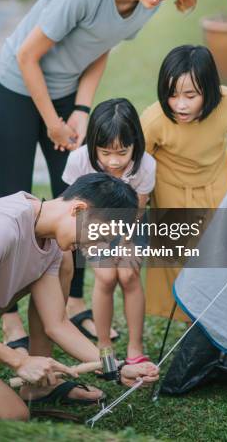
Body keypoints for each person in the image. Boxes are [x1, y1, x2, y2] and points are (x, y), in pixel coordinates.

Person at [0, 0, 197, 343]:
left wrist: (81, 110)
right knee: (12, 199)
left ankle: (74, 300)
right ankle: (7, 312)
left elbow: (102, 45)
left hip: (66, 94)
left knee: (85, 196)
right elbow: (28, 55)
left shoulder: (145, 2)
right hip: (17, 86)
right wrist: (52, 121)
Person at [0, 174, 159, 420]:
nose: (92, 246)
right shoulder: (2, 228)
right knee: (14, 417)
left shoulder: (50, 241)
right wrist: (18, 361)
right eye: (97, 236)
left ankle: (33, 387)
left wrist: (117, 368)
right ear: (78, 210)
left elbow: (57, 324)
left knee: (63, 264)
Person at [141, 45, 227, 321]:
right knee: (180, 260)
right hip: (173, 191)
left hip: (218, 183)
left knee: (223, 252)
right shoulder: (154, 120)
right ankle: (191, 321)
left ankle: (221, 318)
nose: (180, 104)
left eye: (190, 95)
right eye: (172, 94)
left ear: (210, 88)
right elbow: (138, 167)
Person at [62, 99, 156, 364]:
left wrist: (126, 243)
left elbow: (138, 208)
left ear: (135, 144)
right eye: (104, 152)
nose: (113, 161)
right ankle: (104, 346)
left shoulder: (146, 165)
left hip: (131, 222)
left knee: (129, 275)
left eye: (122, 152)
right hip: (91, 224)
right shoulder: (79, 160)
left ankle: (135, 348)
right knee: (105, 277)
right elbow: (70, 205)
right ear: (92, 145)